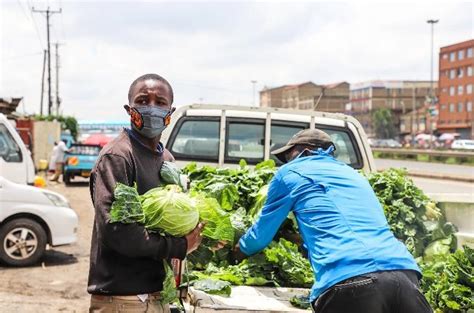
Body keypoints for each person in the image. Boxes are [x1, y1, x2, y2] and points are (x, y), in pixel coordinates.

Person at [236, 129, 432, 313]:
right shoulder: (354, 175)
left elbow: (261, 235)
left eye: (288, 156)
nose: (286, 162)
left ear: (302, 151)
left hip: (349, 280)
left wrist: (238, 251)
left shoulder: (289, 173)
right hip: (405, 275)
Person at [87, 73, 204, 313]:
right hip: (123, 298)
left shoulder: (166, 159)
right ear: (130, 109)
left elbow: (166, 225)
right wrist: (179, 246)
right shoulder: (119, 157)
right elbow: (117, 230)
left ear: (170, 113)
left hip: (155, 295)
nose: (151, 107)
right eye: (143, 100)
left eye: (160, 102)